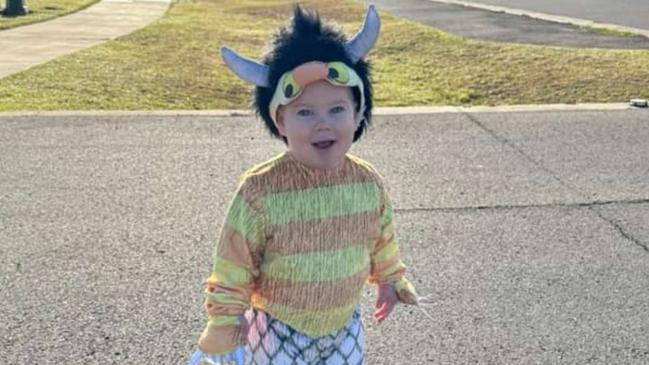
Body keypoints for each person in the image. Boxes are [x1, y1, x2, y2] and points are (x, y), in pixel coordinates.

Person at [188, 4, 427, 365]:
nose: (323, 124)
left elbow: (382, 239)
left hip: (344, 328)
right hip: (277, 328)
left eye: (336, 109)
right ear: (279, 120)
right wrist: (225, 319)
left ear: (358, 112)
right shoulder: (259, 193)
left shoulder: (367, 184)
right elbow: (233, 262)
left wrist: (390, 280)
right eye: (304, 112)